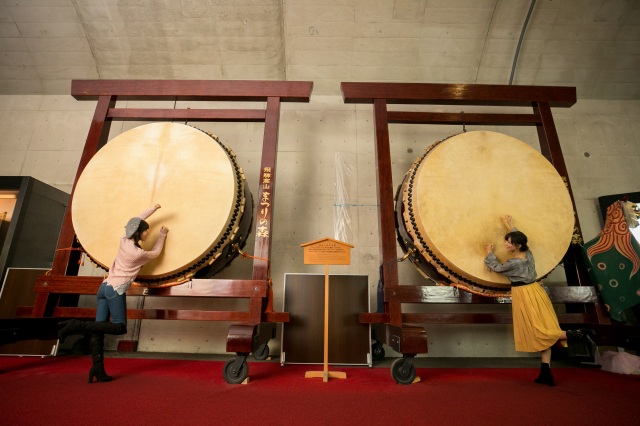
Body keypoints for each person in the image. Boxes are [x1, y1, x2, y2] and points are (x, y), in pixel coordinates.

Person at [59, 204, 168, 383]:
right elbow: (155, 253)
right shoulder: (136, 253)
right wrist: (162, 235)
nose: (148, 234)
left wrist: (153, 208)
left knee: (99, 331)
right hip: (115, 290)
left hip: (104, 288)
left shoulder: (124, 238)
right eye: (146, 231)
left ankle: (97, 368)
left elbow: (135, 218)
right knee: (119, 327)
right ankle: (75, 325)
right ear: (138, 233)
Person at [484, 215, 594, 386]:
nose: (506, 244)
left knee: (538, 330)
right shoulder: (528, 252)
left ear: (517, 246)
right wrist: (510, 225)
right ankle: (546, 372)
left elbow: (497, 267)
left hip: (524, 294)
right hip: (535, 290)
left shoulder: (514, 262)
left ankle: (574, 334)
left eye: (509, 242)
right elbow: (520, 237)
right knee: (544, 327)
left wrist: (488, 253)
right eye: (507, 241)